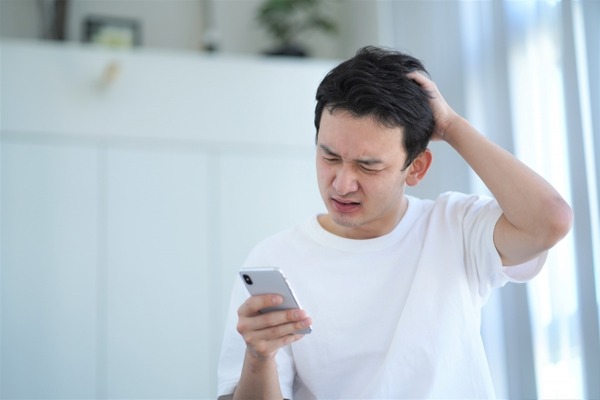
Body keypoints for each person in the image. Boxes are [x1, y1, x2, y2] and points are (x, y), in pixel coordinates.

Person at [217, 46, 572, 399]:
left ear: (416, 167)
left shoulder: (455, 228)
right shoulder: (276, 258)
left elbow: (550, 221)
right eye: (330, 157)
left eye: (368, 166)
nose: (342, 184)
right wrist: (258, 358)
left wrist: (451, 126)